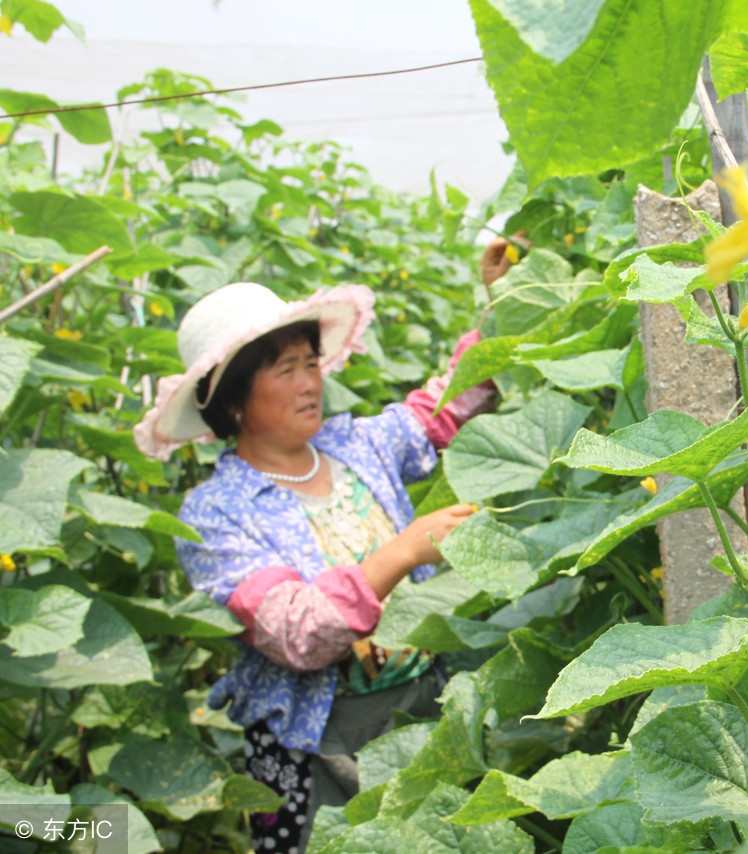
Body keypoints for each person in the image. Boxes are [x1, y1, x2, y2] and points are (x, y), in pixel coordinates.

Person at [133, 238, 517, 854]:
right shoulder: (214, 514)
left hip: (422, 704)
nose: (309, 381)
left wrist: (500, 302)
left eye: (310, 362)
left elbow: (449, 405)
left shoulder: (354, 445)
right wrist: (402, 552)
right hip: (323, 745)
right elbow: (292, 632)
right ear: (232, 399)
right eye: (284, 369)